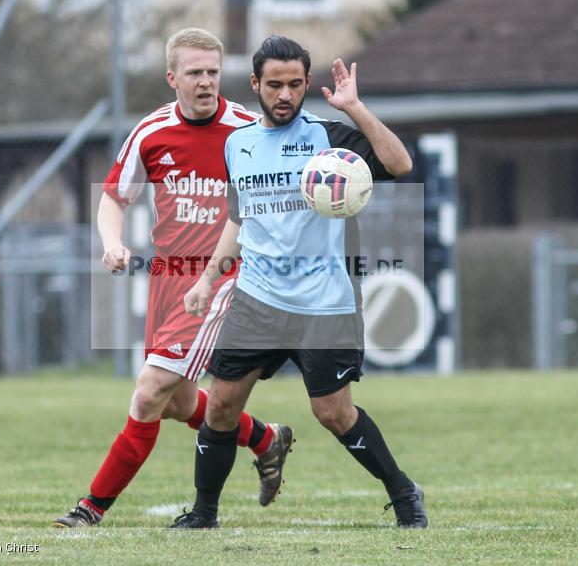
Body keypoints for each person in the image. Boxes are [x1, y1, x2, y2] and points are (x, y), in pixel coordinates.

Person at [172, 36, 427, 529]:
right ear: (255, 85)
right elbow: (237, 218)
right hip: (258, 298)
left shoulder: (328, 139)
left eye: (294, 84)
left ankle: (403, 491)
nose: (284, 94)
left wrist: (355, 108)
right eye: (274, 85)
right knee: (222, 404)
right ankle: (204, 514)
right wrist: (207, 280)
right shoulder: (237, 144)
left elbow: (399, 164)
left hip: (323, 301)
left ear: (308, 83)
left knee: (332, 412)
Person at [53, 28, 293, 528]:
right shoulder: (152, 132)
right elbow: (114, 198)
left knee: (148, 392)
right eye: (195, 73)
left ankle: (91, 507)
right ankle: (266, 439)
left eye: (212, 72)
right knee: (179, 401)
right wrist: (113, 243)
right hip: (167, 279)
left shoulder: (249, 131)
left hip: (223, 277)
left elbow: (281, 197)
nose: (206, 82)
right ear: (172, 78)